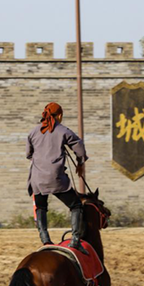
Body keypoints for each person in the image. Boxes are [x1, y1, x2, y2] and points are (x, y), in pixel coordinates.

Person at [26, 102, 89, 254]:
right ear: (59, 115)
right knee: (76, 206)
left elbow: (29, 154)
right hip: (56, 178)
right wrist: (80, 163)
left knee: (41, 207)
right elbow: (79, 147)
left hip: (37, 179)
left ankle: (45, 240)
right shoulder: (63, 131)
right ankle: (75, 241)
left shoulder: (33, 132)